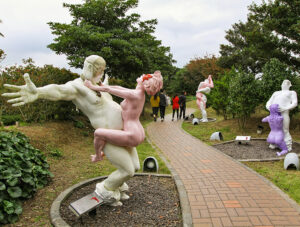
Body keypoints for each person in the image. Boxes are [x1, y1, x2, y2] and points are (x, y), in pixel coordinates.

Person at [2, 55, 162, 205]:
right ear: (89, 68)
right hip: (109, 136)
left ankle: (117, 186)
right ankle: (105, 190)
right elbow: (58, 90)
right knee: (127, 170)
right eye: (97, 69)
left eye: (102, 70)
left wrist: (104, 85)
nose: (100, 72)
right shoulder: (77, 87)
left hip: (124, 133)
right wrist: (38, 92)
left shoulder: (99, 84)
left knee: (134, 167)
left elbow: (114, 93)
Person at [84, 70, 163, 162]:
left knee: (98, 133)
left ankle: (98, 156)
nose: (142, 76)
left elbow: (109, 90)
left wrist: (91, 86)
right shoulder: (137, 93)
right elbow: (119, 87)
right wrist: (102, 86)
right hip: (138, 131)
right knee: (114, 135)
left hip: (133, 133)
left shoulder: (135, 95)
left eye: (144, 78)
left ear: (145, 84)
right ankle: (105, 152)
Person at [266, 79, 298, 151]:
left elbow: (295, 103)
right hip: (274, 114)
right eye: (283, 83)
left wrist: (285, 108)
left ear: (289, 85)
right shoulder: (276, 93)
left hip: (284, 113)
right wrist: (269, 108)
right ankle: (274, 143)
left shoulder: (292, 92)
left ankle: (287, 145)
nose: (284, 84)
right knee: (274, 129)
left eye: (286, 83)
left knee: (285, 130)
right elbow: (269, 102)